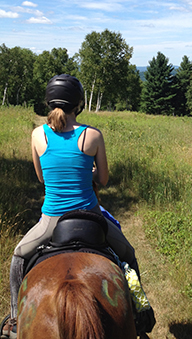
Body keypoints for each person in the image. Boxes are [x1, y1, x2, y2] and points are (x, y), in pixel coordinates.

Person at [1, 74, 154, 338]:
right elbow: (103, 179)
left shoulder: (38, 135)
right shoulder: (92, 135)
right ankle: (139, 314)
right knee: (128, 254)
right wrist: (89, 173)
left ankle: (15, 321)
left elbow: (41, 178)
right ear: (78, 105)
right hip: (91, 215)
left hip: (51, 221)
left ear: (49, 102)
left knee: (18, 258)